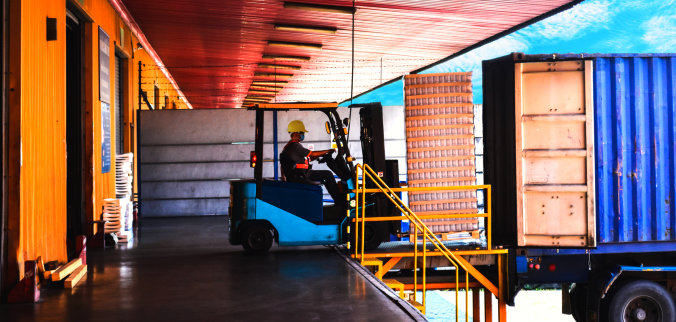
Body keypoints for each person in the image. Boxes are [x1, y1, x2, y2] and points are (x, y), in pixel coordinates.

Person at [280, 120, 345, 209]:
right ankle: (340, 202)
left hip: (300, 174)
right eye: (301, 133)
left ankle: (339, 201)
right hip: (302, 175)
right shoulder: (295, 146)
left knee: (326, 174)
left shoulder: (290, 147)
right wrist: (328, 151)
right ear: (295, 134)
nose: (303, 135)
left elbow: (308, 158)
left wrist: (323, 155)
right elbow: (312, 154)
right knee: (328, 174)